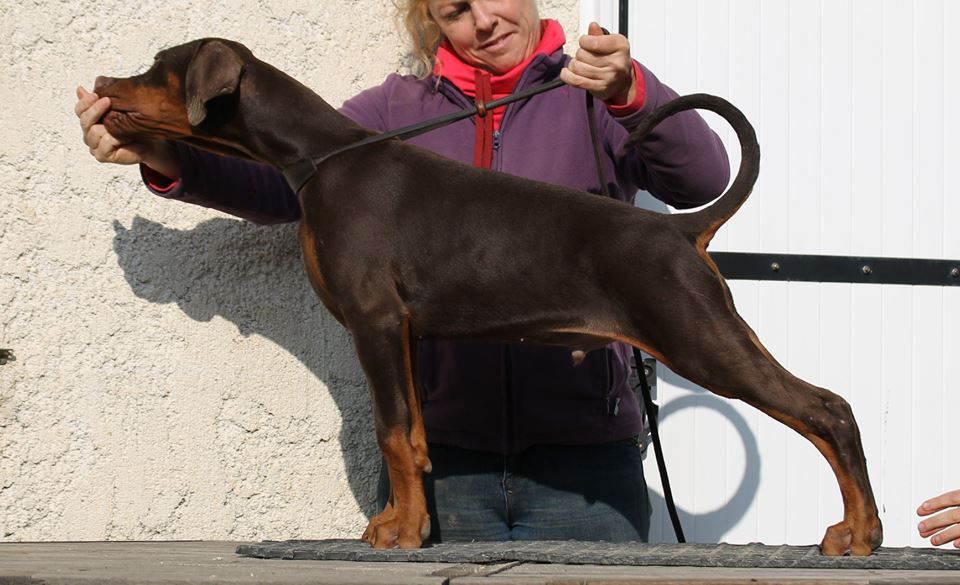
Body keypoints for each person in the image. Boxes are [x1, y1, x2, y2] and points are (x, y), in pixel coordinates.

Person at [76, 0, 729, 542]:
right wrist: (165, 155)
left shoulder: (590, 92)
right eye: (455, 10)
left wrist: (631, 93)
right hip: (446, 469)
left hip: (588, 463)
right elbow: (282, 185)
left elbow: (702, 180)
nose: (483, 21)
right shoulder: (392, 111)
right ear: (431, 22)